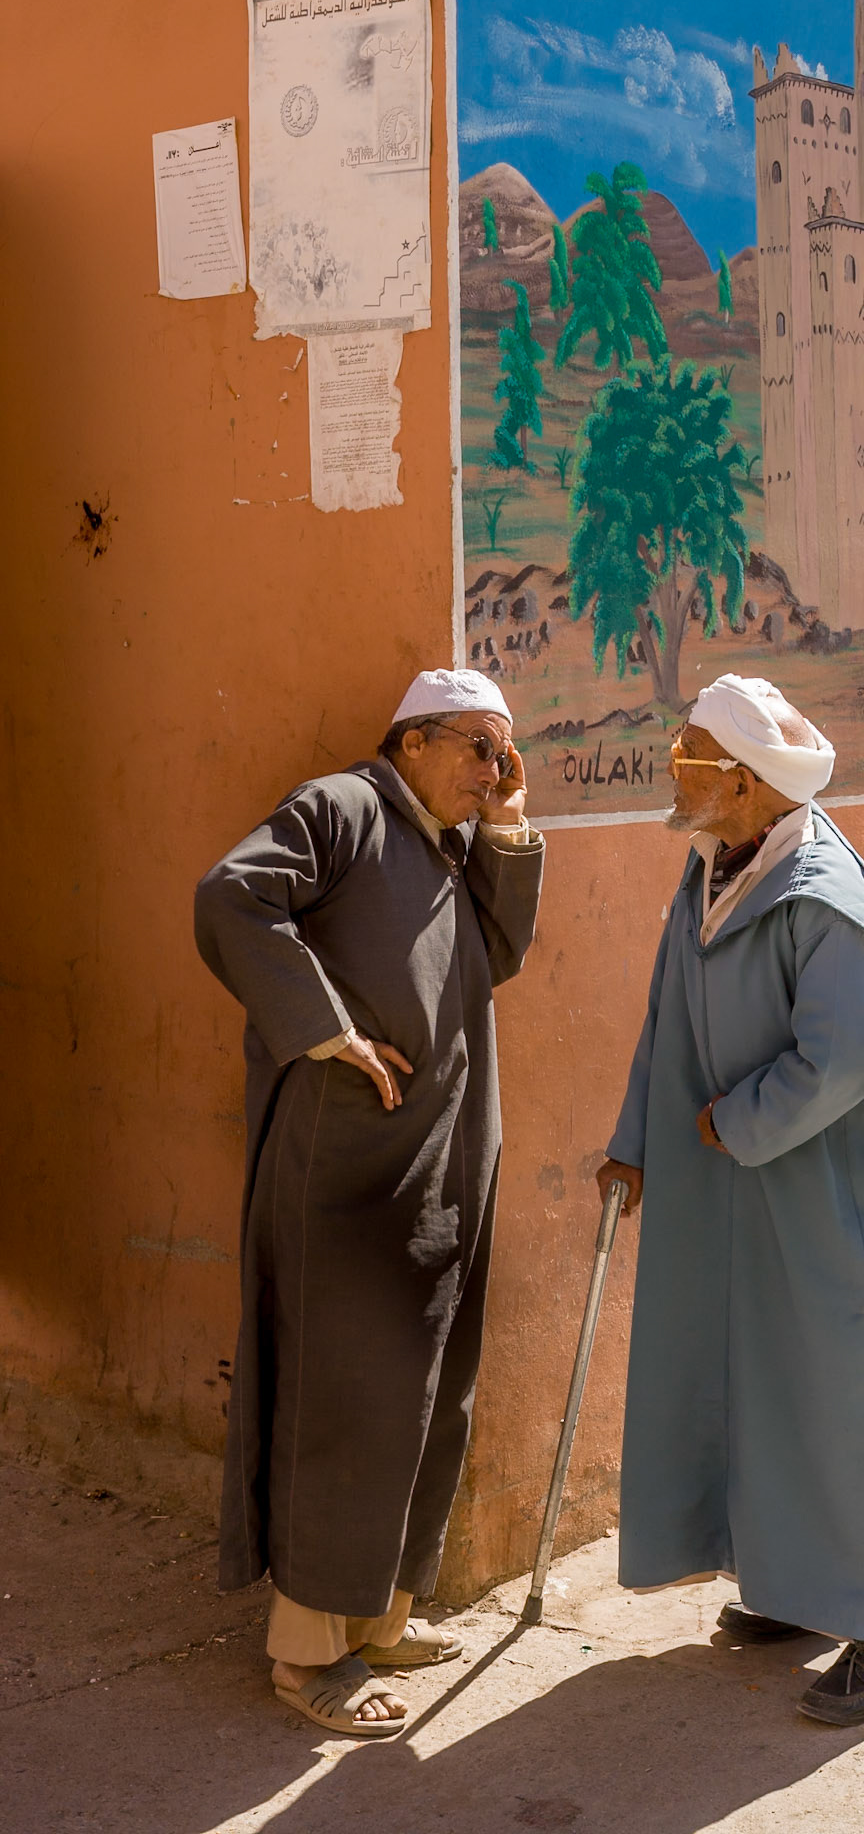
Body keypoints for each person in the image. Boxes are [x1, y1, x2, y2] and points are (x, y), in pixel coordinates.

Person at [195, 669, 543, 1738]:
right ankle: (308, 1657)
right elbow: (230, 894)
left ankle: (382, 1616)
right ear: (413, 738)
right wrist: (324, 1025)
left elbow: (497, 956)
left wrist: (511, 829)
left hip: (436, 1165)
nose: (492, 770)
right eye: (478, 749)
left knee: (429, 1394)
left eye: (504, 753)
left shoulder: (447, 840)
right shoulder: (343, 806)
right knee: (343, 1403)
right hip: (345, 1167)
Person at [597, 674, 864, 1726]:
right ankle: (796, 1589)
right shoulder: (710, 868)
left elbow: (849, 1055)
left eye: (688, 748)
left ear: (741, 780)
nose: (672, 760)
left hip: (836, 1193)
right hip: (749, 1189)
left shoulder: (823, 893)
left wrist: (738, 1119)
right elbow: (665, 1015)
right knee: (769, 1388)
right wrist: (634, 1140)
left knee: (852, 1399)